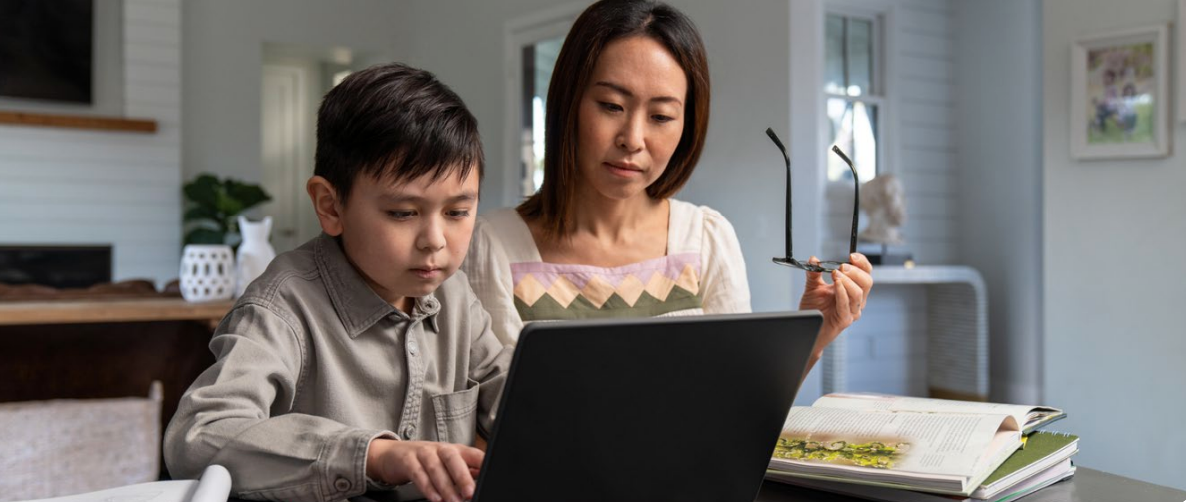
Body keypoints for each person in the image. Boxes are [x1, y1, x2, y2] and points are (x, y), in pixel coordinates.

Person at [462, 0, 874, 373]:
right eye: (611, 106)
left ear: (686, 125)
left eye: (660, 116)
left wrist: (814, 335)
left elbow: (737, 405)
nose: (633, 138)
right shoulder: (492, 247)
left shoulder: (706, 239)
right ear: (568, 103)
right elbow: (487, 424)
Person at [164, 63, 508, 502]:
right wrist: (375, 456)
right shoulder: (281, 307)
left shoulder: (454, 295)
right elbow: (198, 436)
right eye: (403, 213)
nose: (435, 241)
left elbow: (518, 403)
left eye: (458, 213)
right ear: (330, 206)